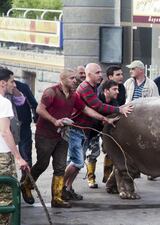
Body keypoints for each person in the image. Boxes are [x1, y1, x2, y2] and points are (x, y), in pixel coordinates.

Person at [19, 68, 119, 208]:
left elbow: (85, 109)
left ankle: (57, 198)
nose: (75, 80)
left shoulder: (74, 95)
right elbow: (39, 109)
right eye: (71, 78)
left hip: (63, 135)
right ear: (63, 79)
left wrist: (104, 119)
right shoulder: (51, 92)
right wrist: (55, 121)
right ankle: (26, 185)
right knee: (42, 164)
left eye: (75, 78)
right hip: (46, 135)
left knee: (60, 167)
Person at [63, 63, 132, 201]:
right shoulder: (85, 88)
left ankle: (67, 188)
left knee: (78, 163)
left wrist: (105, 119)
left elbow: (92, 110)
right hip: (76, 129)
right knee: (76, 162)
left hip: (84, 130)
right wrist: (119, 110)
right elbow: (97, 105)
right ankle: (59, 187)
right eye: (98, 72)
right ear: (89, 74)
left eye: (101, 72)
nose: (101, 74)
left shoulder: (93, 87)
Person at [85, 65, 126, 189]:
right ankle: (90, 178)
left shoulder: (117, 96)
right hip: (93, 129)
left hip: (106, 128)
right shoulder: (97, 95)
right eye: (115, 90)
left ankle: (107, 176)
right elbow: (97, 109)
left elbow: (118, 108)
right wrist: (103, 120)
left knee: (109, 151)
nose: (117, 92)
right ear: (106, 90)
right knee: (93, 153)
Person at [0, 68, 29, 224]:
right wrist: (18, 157)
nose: (14, 84)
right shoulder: (3, 102)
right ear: (3, 83)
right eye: (12, 81)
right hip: (3, 155)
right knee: (6, 197)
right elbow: (5, 131)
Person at [15, 80, 38, 177]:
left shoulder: (22, 86)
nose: (13, 84)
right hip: (7, 126)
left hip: (23, 124)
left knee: (25, 155)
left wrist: (37, 120)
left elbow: (33, 104)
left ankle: (27, 182)